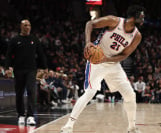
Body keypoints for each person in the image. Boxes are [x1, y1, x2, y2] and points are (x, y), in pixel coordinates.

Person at [61, 5, 145, 133]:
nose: (144, 19)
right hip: (96, 60)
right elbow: (90, 24)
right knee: (90, 92)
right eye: (142, 16)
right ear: (135, 16)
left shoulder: (137, 36)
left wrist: (107, 59)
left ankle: (132, 128)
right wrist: (88, 42)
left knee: (130, 94)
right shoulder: (114, 21)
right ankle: (68, 125)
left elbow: (124, 55)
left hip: (112, 63)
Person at [5, 19, 47, 125]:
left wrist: (45, 67)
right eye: (25, 25)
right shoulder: (15, 40)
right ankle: (21, 115)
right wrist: (7, 67)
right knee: (19, 93)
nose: (27, 27)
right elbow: (9, 55)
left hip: (31, 70)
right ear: (21, 26)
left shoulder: (34, 39)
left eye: (29, 25)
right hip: (18, 70)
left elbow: (41, 54)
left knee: (31, 91)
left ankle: (31, 116)